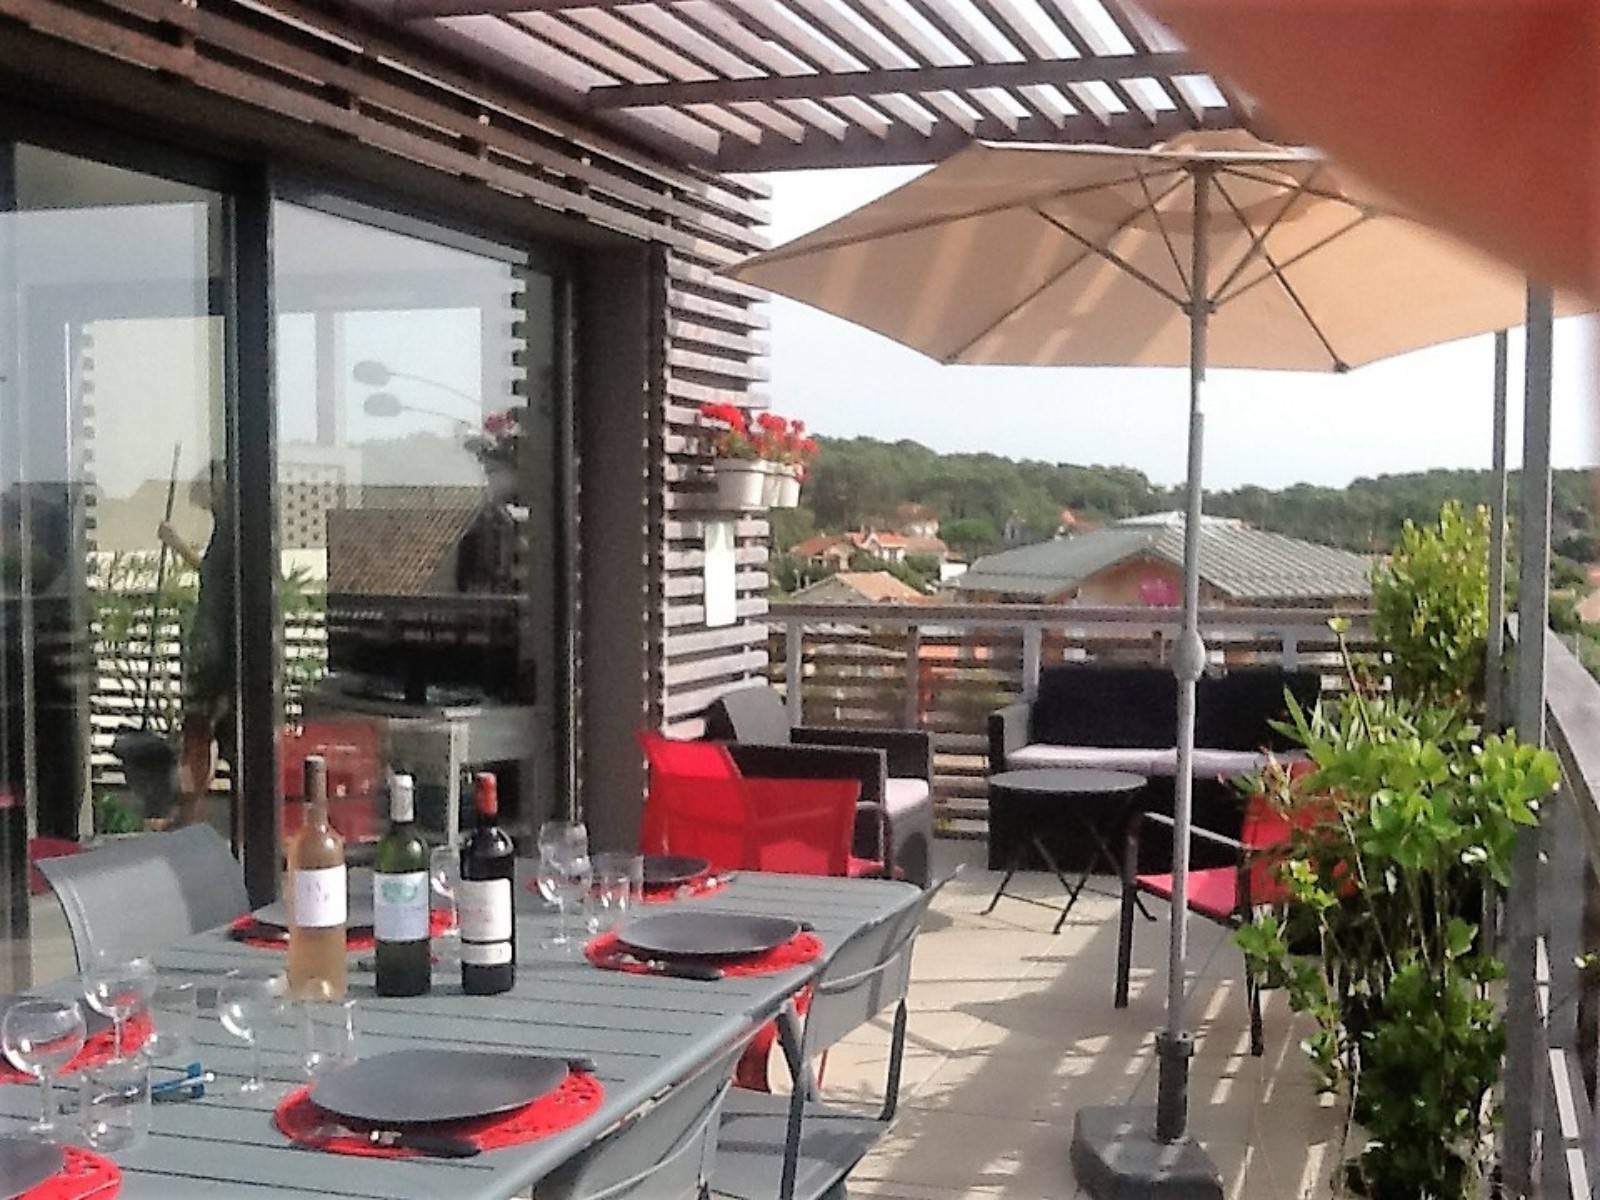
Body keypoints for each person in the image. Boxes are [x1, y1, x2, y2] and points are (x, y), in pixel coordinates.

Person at [156, 461, 234, 828]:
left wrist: (175, 544)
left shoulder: (234, 529)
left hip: (218, 647)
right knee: (203, 732)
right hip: (215, 643)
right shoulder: (227, 527)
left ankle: (190, 814)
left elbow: (212, 577)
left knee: (202, 731)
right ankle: (190, 812)